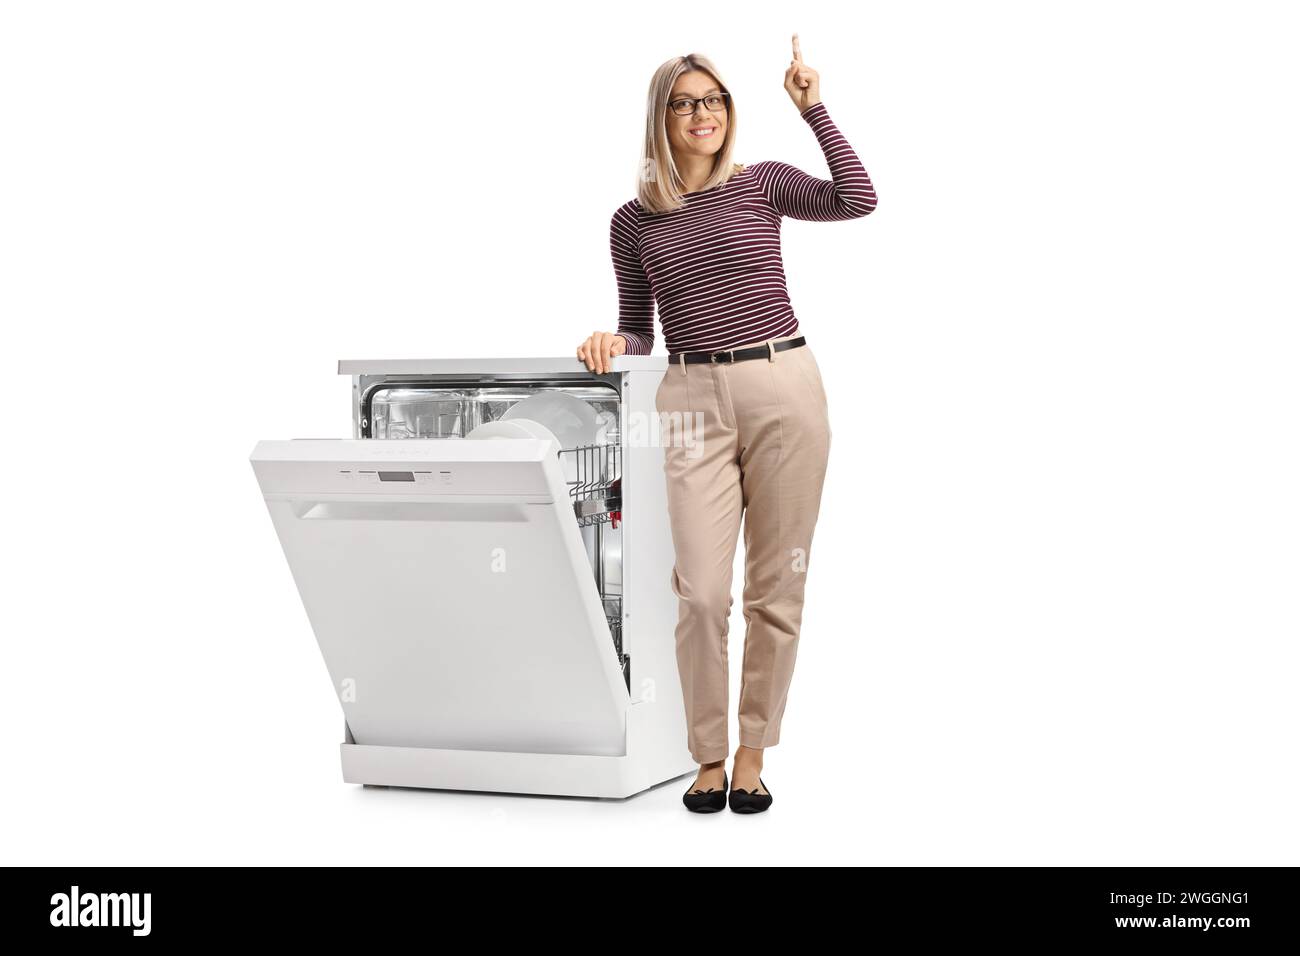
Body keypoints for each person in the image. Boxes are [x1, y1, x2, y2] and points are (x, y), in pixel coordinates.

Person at [577, 36, 877, 813]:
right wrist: (614, 343)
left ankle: (749, 754)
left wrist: (813, 108)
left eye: (712, 101)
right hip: (688, 396)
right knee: (703, 593)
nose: (701, 114)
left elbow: (857, 197)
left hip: (783, 384)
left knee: (777, 588)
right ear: (661, 118)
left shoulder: (764, 184)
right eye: (684, 104)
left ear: (729, 111)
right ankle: (703, 753)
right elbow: (639, 326)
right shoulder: (634, 219)